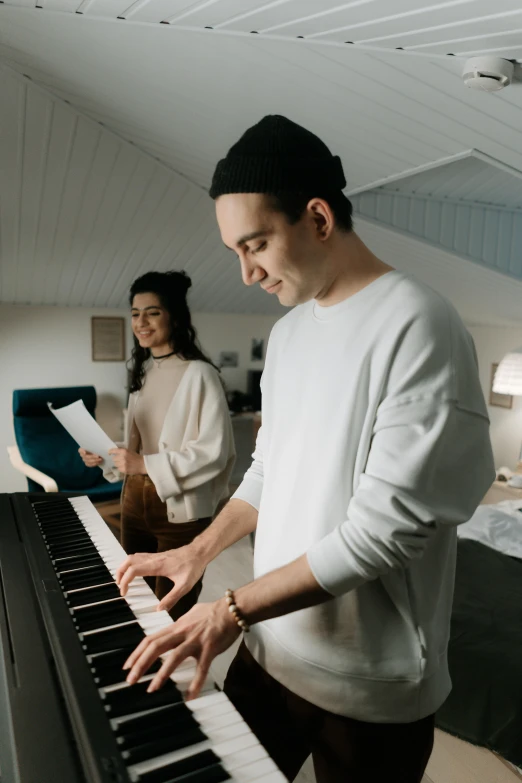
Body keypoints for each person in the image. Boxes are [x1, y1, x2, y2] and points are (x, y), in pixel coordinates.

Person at [115, 117, 495, 782]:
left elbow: (383, 535)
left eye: (255, 243)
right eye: (234, 250)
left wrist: (229, 606)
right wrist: (198, 549)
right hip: (268, 649)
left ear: (318, 218)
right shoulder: (288, 338)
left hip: (371, 687)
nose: (245, 270)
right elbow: (269, 469)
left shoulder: (419, 323)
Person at [80, 270, 235, 619]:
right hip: (134, 505)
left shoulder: (202, 375)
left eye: (152, 312)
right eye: (135, 313)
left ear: (175, 317)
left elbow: (214, 451)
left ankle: (169, 671)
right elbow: (140, 447)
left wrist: (144, 464)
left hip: (179, 515)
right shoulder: (142, 373)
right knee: (133, 600)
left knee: (169, 612)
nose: (141, 322)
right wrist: (105, 455)